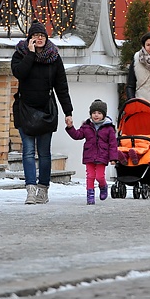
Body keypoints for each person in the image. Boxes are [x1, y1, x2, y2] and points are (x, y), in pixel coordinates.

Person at [11, 21, 74, 205]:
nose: (39, 39)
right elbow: (19, 73)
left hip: (46, 110)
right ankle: (30, 189)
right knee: (28, 151)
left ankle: (43, 189)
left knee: (44, 153)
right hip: (25, 109)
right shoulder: (20, 54)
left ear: (46, 39)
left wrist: (67, 111)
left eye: (42, 36)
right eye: (35, 36)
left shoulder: (54, 57)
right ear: (29, 38)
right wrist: (30, 54)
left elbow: (61, 86)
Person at [65, 99, 118, 204]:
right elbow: (77, 135)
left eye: (99, 113)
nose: (96, 115)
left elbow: (113, 144)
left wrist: (113, 158)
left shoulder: (109, 128)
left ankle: (103, 186)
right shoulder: (86, 126)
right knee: (90, 176)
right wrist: (70, 127)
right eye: (94, 113)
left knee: (99, 176)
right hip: (89, 155)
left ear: (104, 114)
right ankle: (90, 196)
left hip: (102, 156)